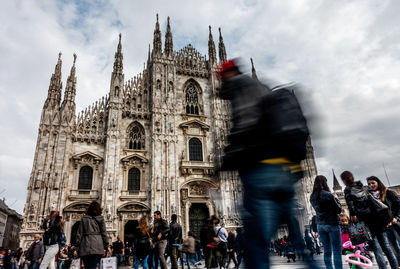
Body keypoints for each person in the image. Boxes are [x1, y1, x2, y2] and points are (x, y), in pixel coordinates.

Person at [217, 59, 317, 269]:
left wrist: (226, 162)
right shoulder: (261, 88)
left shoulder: (241, 89)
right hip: (284, 171)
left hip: (260, 171)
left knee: (256, 239)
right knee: (296, 236)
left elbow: (245, 128)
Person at [341, 171, 398, 269]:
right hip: (377, 219)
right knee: (386, 246)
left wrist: (354, 219)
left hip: (366, 223)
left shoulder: (348, 190)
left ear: (344, 180)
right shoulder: (363, 187)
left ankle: (383, 268)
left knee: (376, 248)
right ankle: (395, 266)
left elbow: (351, 208)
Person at [310, 175, 342, 269]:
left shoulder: (312, 197)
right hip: (332, 224)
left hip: (320, 225)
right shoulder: (328, 195)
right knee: (336, 251)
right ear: (324, 182)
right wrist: (336, 199)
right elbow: (338, 210)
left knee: (327, 252)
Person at [367, 176, 400, 265]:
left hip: (394, 223)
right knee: (393, 247)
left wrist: (395, 217)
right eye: (369, 184)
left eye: (373, 183)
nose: (371, 185)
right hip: (384, 225)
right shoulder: (370, 196)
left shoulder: (388, 192)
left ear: (378, 182)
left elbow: (398, 206)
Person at [75, 201, 109, 269]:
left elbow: (79, 233)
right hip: (97, 246)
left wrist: (77, 247)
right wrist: (106, 246)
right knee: (93, 266)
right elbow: (104, 233)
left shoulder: (84, 219)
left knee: (87, 267)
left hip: (85, 246)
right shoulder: (101, 219)